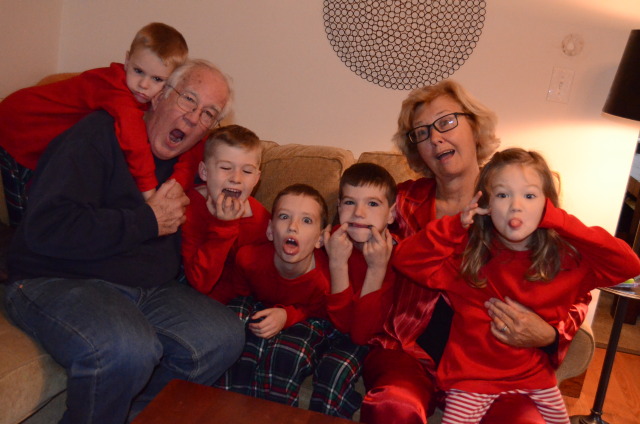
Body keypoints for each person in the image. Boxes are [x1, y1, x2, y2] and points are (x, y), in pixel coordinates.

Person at [4, 59, 244, 424]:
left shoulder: (188, 165)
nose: (194, 118)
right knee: (128, 348)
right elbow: (47, 227)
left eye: (208, 114)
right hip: (56, 277)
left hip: (145, 289)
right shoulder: (97, 135)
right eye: (188, 100)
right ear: (160, 96)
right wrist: (146, 221)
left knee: (222, 336)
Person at [361, 79, 592, 424]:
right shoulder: (401, 202)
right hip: (406, 353)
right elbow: (354, 230)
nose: (435, 138)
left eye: (446, 122)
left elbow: (574, 283)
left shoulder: (515, 200)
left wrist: (549, 335)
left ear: (475, 127)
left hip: (495, 367)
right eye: (422, 133)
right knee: (393, 407)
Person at [393, 148, 640, 424]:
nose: (516, 206)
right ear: (486, 205)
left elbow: (628, 265)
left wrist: (560, 220)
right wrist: (456, 225)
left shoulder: (567, 260)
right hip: (471, 381)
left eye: (530, 196)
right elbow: (405, 260)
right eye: (502, 195)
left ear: (547, 205)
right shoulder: (468, 255)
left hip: (535, 380)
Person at [0, 22, 202, 203]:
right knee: (26, 213)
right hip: (16, 122)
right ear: (127, 61)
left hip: (37, 133)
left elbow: (194, 145)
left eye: (157, 79)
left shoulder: (146, 98)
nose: (143, 84)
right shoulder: (115, 89)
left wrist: (177, 181)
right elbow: (134, 141)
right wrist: (150, 196)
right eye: (138, 71)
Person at [216, 184, 333, 408]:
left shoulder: (324, 280)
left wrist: (287, 316)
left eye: (306, 220)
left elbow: (320, 313)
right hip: (260, 305)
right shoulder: (249, 259)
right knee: (235, 322)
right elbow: (240, 295)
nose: (293, 226)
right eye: (284, 217)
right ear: (270, 230)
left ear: (320, 239)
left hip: (305, 317)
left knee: (288, 354)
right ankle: (225, 405)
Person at [312, 162, 397, 418]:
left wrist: (376, 269)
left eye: (372, 204)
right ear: (339, 207)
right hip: (332, 323)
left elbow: (360, 335)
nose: (359, 213)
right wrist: (337, 262)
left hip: (370, 337)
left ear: (391, 214)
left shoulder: (395, 255)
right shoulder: (332, 242)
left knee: (334, 368)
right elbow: (338, 322)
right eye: (350, 202)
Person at [181, 124, 269, 303]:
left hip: (241, 300)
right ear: (204, 172)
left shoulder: (261, 219)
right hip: (195, 295)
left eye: (247, 171)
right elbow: (199, 283)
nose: (236, 178)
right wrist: (224, 226)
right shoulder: (188, 207)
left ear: (256, 179)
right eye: (226, 168)